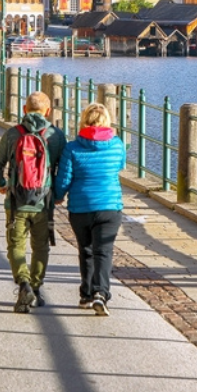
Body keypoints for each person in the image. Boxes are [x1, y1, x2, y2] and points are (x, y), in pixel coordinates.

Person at [0, 91, 66, 313]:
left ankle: (23, 284)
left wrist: (2, 182)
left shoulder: (13, 134)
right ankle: (36, 288)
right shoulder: (56, 135)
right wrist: (58, 194)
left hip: (16, 202)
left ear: (24, 110)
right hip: (44, 202)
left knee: (16, 245)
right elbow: (63, 170)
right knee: (40, 246)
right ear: (48, 111)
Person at [53, 102, 125, 316]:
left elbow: (64, 178)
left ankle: (86, 294)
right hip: (110, 205)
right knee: (103, 251)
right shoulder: (117, 145)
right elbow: (120, 165)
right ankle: (100, 293)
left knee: (85, 249)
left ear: (83, 121)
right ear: (107, 122)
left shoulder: (72, 148)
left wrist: (58, 197)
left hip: (81, 206)